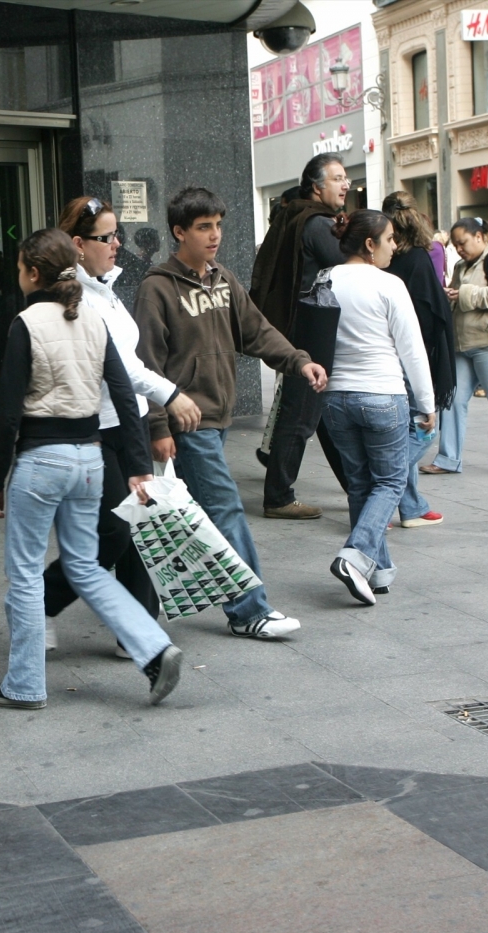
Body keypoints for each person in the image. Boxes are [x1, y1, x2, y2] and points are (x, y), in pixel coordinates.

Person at [0, 228, 183, 710]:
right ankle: (154, 648)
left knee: (27, 573)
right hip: (89, 459)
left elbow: (10, 412)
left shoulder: (25, 323)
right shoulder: (93, 319)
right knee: (86, 567)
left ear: (33, 272)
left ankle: (25, 684)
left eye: (19, 268)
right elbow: (122, 391)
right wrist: (137, 465)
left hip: (41, 460)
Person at [135, 187, 328, 640]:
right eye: (204, 227)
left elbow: (257, 331)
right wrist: (159, 425)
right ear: (179, 232)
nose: (215, 235)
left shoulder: (223, 280)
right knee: (224, 509)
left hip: (218, 420)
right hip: (188, 421)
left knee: (184, 518)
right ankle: (249, 611)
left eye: (219, 225)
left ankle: (133, 615)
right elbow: (145, 364)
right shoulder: (157, 288)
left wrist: (299, 361)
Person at [41, 197, 202, 660]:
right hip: (94, 427)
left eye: (117, 235)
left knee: (139, 523)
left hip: (123, 423)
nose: (116, 244)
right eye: (106, 237)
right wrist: (171, 395)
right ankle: (42, 605)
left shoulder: (106, 288)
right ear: (77, 244)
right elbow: (123, 367)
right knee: (113, 532)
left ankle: (137, 631)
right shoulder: (73, 296)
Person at [324, 210, 435, 604]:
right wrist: (428, 403)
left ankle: (379, 570)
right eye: (389, 239)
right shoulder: (389, 284)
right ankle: (354, 556)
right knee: (390, 482)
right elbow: (412, 349)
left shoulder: (325, 279)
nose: (394, 246)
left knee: (360, 484)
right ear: (369, 245)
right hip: (383, 394)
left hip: (336, 397)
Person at [249, 153, 350, 519]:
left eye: (345, 178)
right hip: (311, 329)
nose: (345, 184)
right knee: (301, 416)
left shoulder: (297, 215)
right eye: (337, 178)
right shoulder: (318, 223)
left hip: (299, 327)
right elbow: (351, 262)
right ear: (316, 186)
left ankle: (358, 487)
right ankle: (278, 496)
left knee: (317, 416)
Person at [420, 217, 488, 477]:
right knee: (451, 401)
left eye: (462, 243)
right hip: (463, 345)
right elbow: (459, 296)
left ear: (479, 237)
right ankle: (448, 459)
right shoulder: (463, 265)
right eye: (455, 244)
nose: (459, 249)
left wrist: (464, 294)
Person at [380, 192, 456, 527]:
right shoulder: (418, 260)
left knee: (408, 428)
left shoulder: (388, 262)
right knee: (422, 430)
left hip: (393, 356)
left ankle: (410, 505)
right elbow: (429, 316)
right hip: (412, 358)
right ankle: (382, 486)